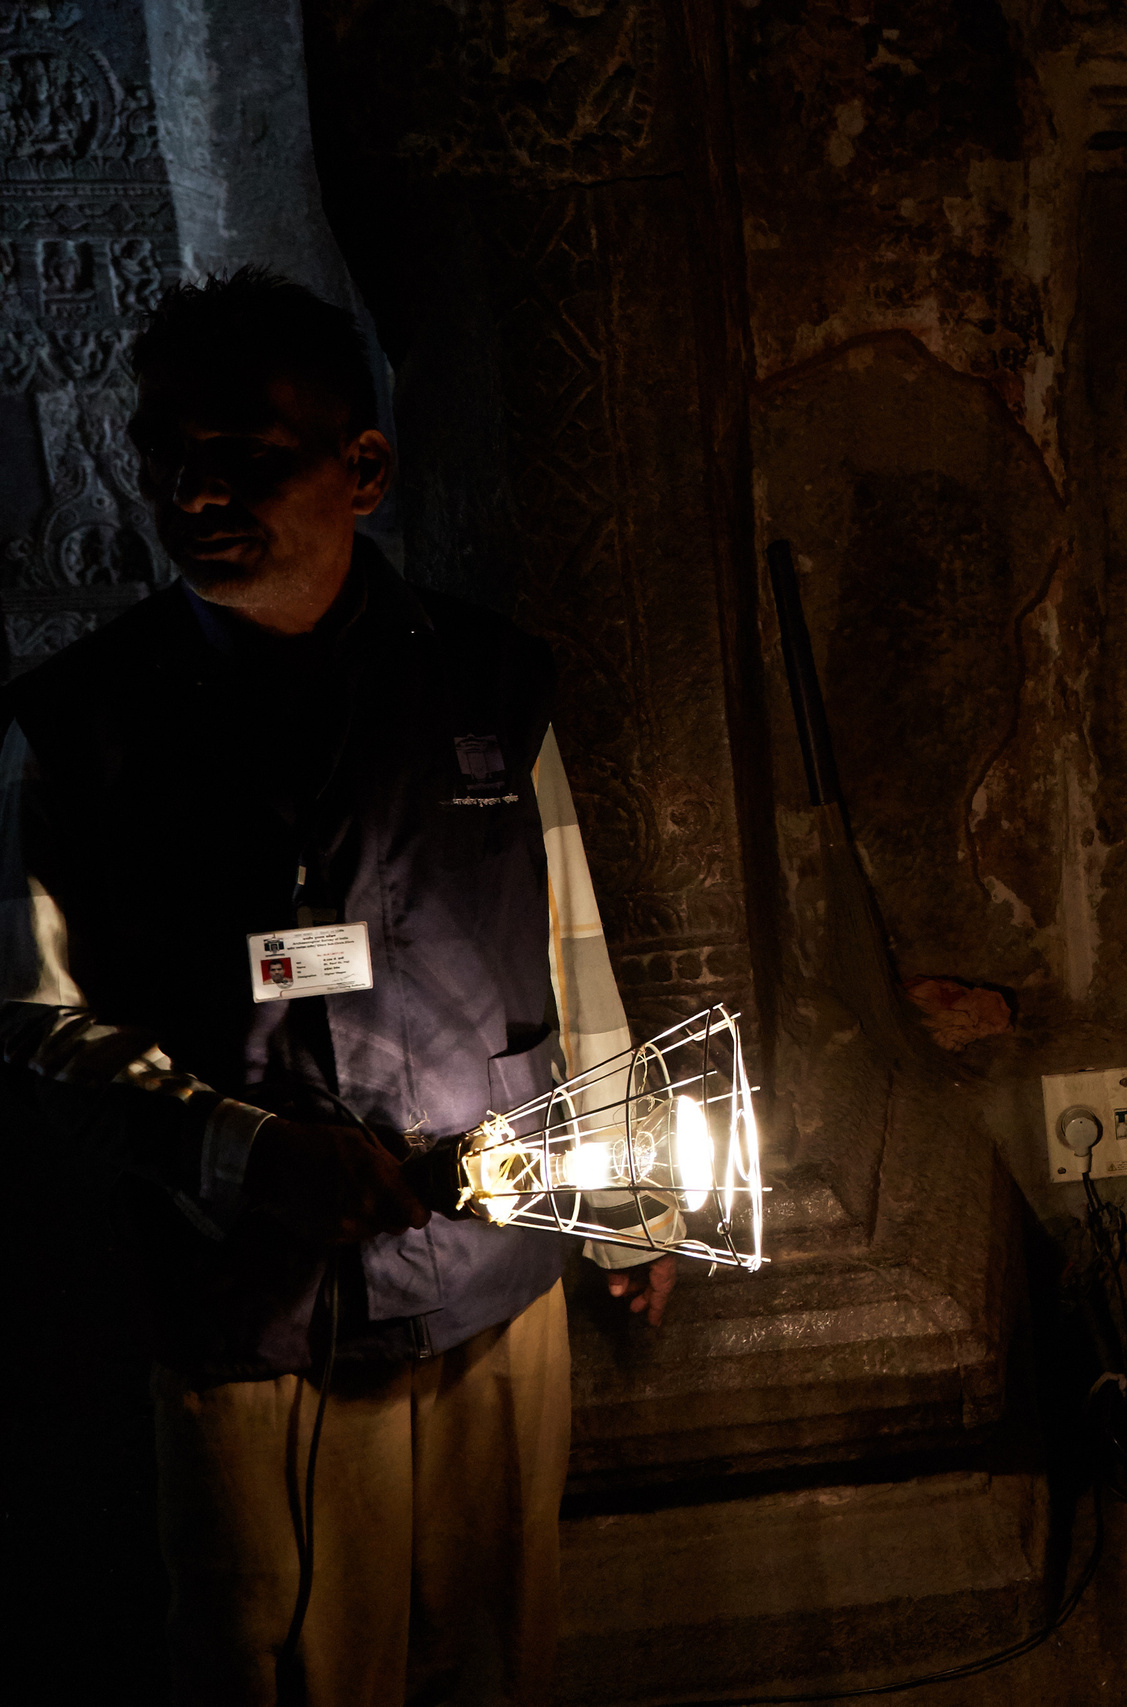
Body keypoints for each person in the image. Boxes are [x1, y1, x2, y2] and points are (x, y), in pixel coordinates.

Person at [1, 268, 672, 1705]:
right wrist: (247, 1155)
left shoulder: (488, 684)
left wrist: (628, 1208)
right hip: (252, 1298)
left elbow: (572, 943)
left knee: (503, 1649)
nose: (195, 490)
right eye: (168, 454)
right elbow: (40, 1024)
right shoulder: (80, 731)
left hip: (490, 1267)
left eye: (247, 455)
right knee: (284, 1665)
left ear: (362, 469)